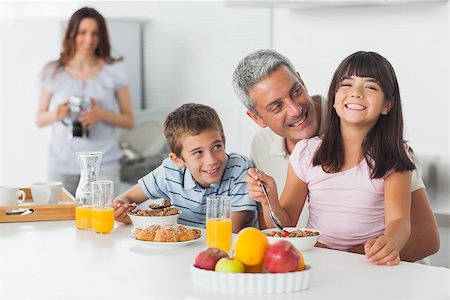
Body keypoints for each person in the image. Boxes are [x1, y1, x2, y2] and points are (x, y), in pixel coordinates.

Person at [232, 49, 439, 262]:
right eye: (276, 106)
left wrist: (354, 257)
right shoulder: (288, 150)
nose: (294, 110)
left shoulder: (392, 155)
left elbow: (416, 232)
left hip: (381, 269)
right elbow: (284, 226)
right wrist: (270, 201)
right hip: (320, 267)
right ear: (258, 118)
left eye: (295, 91)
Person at [113, 103, 258, 232]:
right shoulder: (170, 171)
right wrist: (122, 208)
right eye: (198, 153)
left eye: (216, 146)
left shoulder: (240, 169)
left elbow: (228, 233)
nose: (211, 160)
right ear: (178, 160)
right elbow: (127, 197)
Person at [36, 7, 134, 196]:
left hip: (104, 164)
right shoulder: (52, 71)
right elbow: (39, 118)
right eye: (82, 32)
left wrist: (103, 114)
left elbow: (129, 121)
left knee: (104, 221)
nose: (89, 40)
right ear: (71, 33)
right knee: (60, 221)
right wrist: (56, 113)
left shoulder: (115, 71)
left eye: (95, 33)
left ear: (102, 36)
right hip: (62, 164)